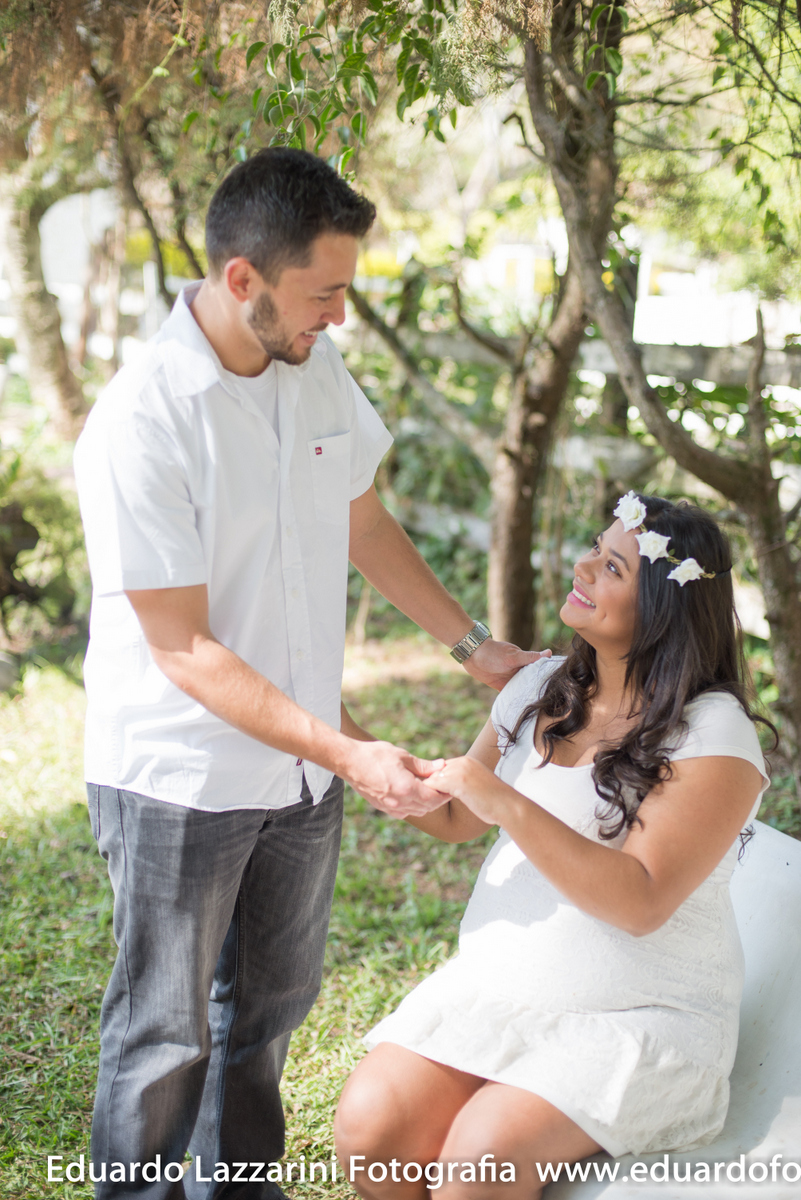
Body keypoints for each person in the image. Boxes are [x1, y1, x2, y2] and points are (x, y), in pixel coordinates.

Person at [73, 147, 540, 1200]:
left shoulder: (308, 362)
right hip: (177, 779)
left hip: (300, 782)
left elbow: (359, 512)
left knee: (269, 1017)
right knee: (162, 1039)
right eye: (324, 293)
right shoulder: (141, 423)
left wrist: (478, 649)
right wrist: (347, 748)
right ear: (243, 280)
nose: (340, 318)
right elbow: (183, 648)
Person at [335, 493, 773, 1199]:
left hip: (637, 1021)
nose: (582, 566)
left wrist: (507, 800)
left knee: (479, 1163)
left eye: (610, 566)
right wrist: (336, 732)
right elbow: (451, 818)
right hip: (503, 993)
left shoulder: (713, 733)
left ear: (663, 607)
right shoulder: (540, 686)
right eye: (593, 549)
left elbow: (641, 901)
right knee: (369, 1129)